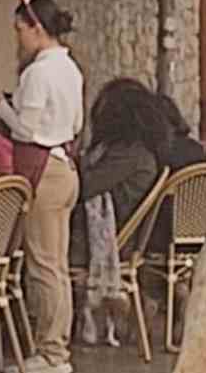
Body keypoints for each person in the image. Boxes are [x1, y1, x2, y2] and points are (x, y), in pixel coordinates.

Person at [0, 0, 84, 373]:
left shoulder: (39, 72)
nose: (18, 38)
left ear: (36, 28)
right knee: (56, 263)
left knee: (43, 263)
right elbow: (74, 125)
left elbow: (26, 127)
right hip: (65, 163)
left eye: (20, 30)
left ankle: (51, 350)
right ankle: (56, 345)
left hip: (43, 167)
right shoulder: (70, 69)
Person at [72, 78, 168, 347]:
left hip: (110, 240)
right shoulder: (139, 152)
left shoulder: (129, 156)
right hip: (117, 233)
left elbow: (86, 187)